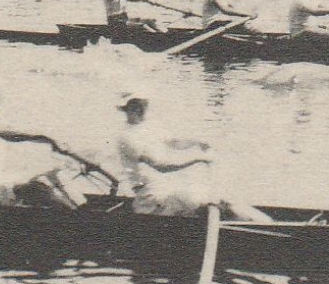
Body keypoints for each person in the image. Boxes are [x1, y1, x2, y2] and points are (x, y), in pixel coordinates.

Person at [116, 92, 271, 220]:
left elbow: (174, 142)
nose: (144, 108)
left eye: (144, 104)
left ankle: (264, 224)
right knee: (216, 200)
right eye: (139, 105)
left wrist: (198, 142)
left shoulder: (149, 127)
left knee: (223, 198)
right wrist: (198, 159)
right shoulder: (128, 138)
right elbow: (161, 166)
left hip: (169, 190)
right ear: (129, 109)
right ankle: (264, 228)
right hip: (152, 199)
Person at [0, 74, 93, 208]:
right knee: (41, 186)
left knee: (53, 171)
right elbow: (6, 133)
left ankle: (82, 211)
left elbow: (12, 131)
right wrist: (44, 137)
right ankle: (82, 217)